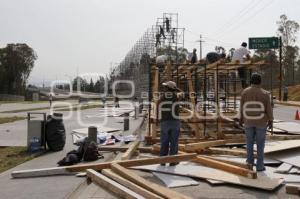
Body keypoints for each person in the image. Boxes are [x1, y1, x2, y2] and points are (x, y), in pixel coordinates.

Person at [239, 73, 273, 171]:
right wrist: (271, 120)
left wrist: (240, 119)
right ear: (260, 82)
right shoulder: (265, 93)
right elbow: (269, 109)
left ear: (251, 81)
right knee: (260, 144)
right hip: (261, 122)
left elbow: (241, 107)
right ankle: (260, 166)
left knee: (249, 142)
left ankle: (249, 164)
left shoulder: (245, 92)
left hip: (248, 121)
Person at [158, 81, 182, 166]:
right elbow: (181, 93)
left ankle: (162, 160)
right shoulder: (176, 96)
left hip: (165, 121)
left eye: (165, 87)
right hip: (175, 121)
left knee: (164, 141)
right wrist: (176, 89)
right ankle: (173, 161)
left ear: (167, 88)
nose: (164, 88)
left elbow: (158, 105)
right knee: (174, 142)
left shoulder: (162, 97)